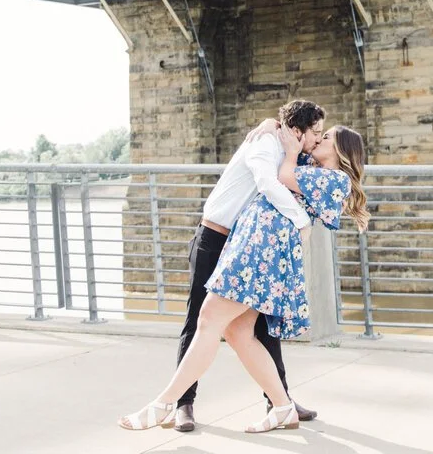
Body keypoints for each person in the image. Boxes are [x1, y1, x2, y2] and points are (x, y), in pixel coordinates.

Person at [119, 125, 369, 434]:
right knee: (237, 331)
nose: (318, 139)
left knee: (209, 319)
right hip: (254, 247)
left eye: (326, 137)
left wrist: (291, 152)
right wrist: (269, 124)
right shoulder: (310, 166)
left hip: (261, 253)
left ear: (341, 150)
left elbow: (280, 176)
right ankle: (281, 407)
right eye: (318, 133)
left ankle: (164, 404)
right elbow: (278, 151)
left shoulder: (334, 180)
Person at [166, 99, 325, 433]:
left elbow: (318, 167)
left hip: (247, 246)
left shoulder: (289, 149)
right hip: (214, 238)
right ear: (297, 131)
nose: (317, 140)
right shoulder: (264, 143)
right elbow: (267, 183)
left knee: (265, 326)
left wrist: (274, 122)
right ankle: (183, 404)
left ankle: (279, 400)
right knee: (199, 320)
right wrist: (300, 221)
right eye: (315, 133)